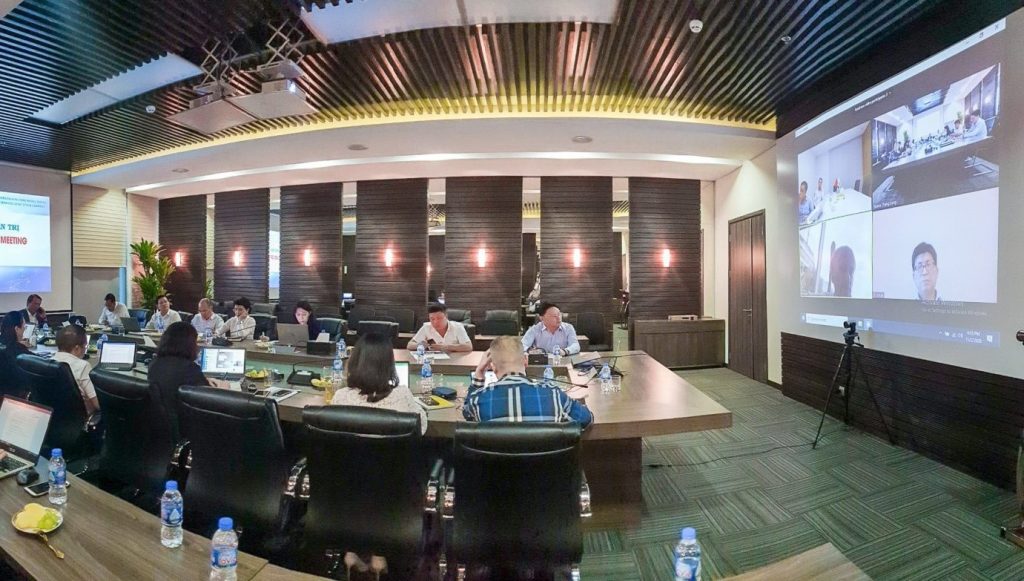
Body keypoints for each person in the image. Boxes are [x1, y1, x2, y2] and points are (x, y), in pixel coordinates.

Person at [463, 336, 592, 428]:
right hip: (545, 460)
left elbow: (467, 413)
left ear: (493, 367)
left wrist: (479, 374)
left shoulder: (478, 399)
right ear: (525, 360)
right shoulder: (553, 394)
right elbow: (587, 419)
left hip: (497, 460)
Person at [331, 333, 427, 434]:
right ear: (389, 364)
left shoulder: (341, 397)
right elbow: (421, 427)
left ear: (354, 361)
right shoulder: (403, 395)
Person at [147, 322, 222, 443]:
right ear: (189, 344)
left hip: (160, 428)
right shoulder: (190, 368)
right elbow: (209, 401)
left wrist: (203, 379)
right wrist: (222, 388)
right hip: (185, 429)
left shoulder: (154, 364)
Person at [51, 325, 100, 414]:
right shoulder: (82, 366)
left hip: (55, 414)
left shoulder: (50, 362)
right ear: (77, 348)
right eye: (85, 347)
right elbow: (97, 404)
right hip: (83, 416)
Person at [407, 304, 472, 353]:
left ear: (446, 316)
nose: (435, 322)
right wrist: (420, 345)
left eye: (439, 318)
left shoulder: (457, 327)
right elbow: (409, 345)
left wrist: (446, 347)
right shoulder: (426, 327)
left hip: (454, 361)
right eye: (432, 319)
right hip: (433, 361)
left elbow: (468, 346)